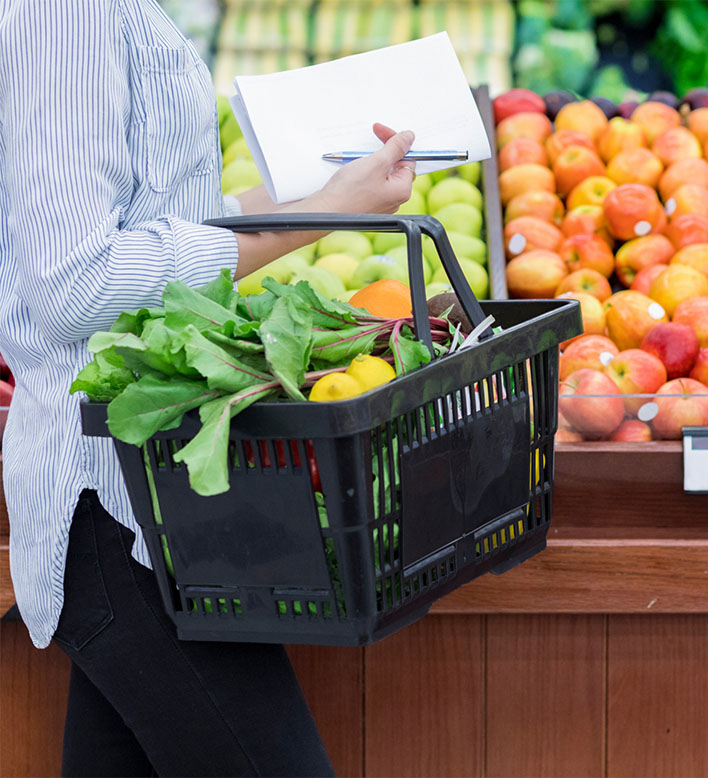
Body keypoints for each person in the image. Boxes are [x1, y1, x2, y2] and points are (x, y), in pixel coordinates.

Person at [0, 1, 416, 774]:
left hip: (160, 490)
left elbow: (164, 221)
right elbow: (74, 284)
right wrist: (313, 222)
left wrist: (328, 196)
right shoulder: (67, 12)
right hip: (116, 502)